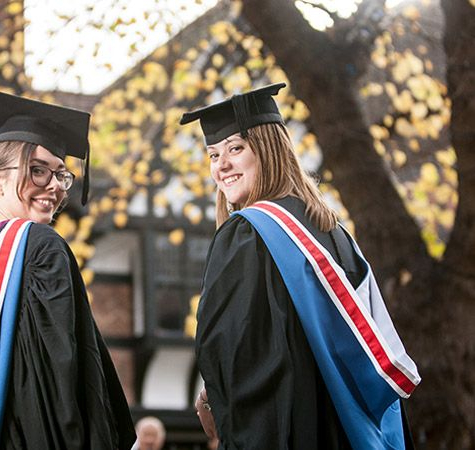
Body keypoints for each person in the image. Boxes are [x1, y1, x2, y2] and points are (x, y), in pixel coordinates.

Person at [179, 83, 421, 449]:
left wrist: (215, 401)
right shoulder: (334, 233)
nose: (222, 165)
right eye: (213, 155)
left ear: (269, 149)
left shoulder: (248, 235)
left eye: (235, 149)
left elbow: (233, 352)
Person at [0, 89, 136, 449]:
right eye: (37, 170)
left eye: (61, 175)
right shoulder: (39, 246)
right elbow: (59, 378)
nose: (54, 187)